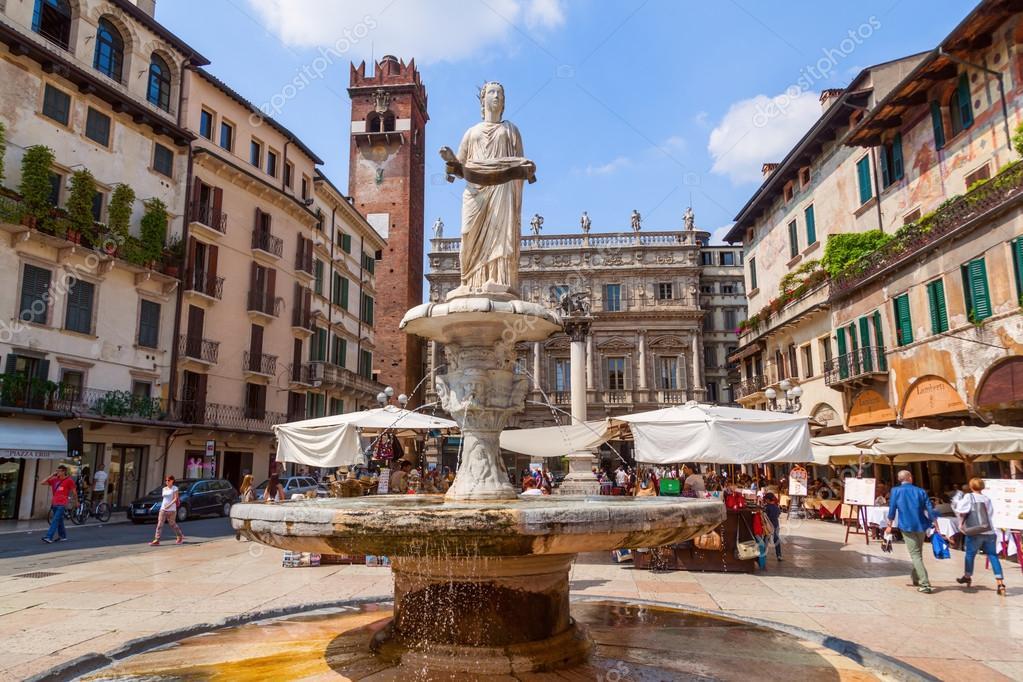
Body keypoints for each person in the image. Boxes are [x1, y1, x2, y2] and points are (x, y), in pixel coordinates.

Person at [886, 469, 941, 593]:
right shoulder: (920, 491)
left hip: (906, 525)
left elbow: (892, 509)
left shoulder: (895, 491)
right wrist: (936, 524)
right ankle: (916, 577)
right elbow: (930, 509)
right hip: (921, 525)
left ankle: (925, 583)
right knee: (918, 552)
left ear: (900, 479)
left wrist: (889, 524)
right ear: (910, 477)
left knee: (915, 554)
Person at [953, 478, 1006, 596]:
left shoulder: (969, 497)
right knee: (993, 556)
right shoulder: (986, 498)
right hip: (989, 531)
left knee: (970, 554)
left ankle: (967, 575)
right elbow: (990, 514)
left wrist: (961, 523)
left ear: (971, 487)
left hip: (974, 531)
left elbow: (960, 510)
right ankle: (1000, 583)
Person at [41, 465, 77, 543]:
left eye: (59, 471)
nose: (57, 472)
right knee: (59, 520)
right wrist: (51, 475)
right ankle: (63, 536)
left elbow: (74, 492)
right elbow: (42, 482)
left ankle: (49, 537)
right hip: (54, 503)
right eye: (56, 470)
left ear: (64, 471)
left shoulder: (69, 480)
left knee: (55, 520)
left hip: (62, 503)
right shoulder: (54, 480)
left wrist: (76, 502)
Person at [150, 475, 184, 546]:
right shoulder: (164, 489)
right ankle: (157, 540)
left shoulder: (175, 488)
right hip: (163, 509)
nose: (167, 482)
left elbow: (175, 499)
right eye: (166, 480)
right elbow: (164, 499)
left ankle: (180, 536)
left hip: (172, 510)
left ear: (172, 481)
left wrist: (169, 505)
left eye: (168, 480)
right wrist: (162, 506)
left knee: (172, 524)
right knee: (159, 524)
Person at [763, 493, 783, 561]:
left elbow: (765, 516)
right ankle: (779, 555)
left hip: (768, 525)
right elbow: (778, 514)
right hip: (776, 524)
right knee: (776, 539)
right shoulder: (776, 506)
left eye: (766, 499)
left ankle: (764, 554)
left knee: (766, 539)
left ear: (768, 499)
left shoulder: (767, 507)